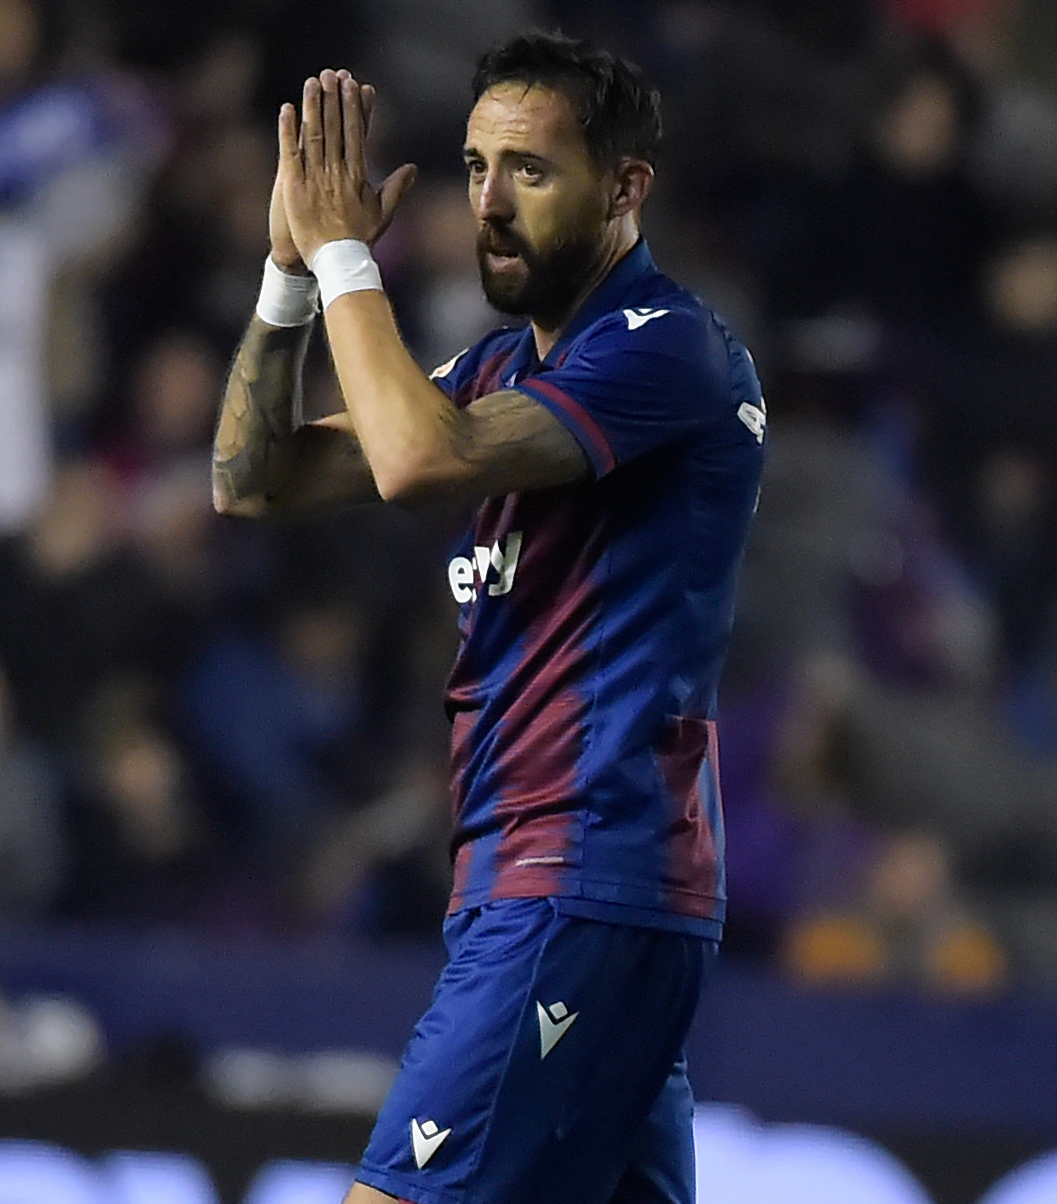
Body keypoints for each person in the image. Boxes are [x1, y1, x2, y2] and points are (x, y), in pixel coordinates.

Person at [212, 31, 765, 1204]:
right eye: (473, 168)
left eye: (531, 170)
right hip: (557, 886)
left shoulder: (672, 351)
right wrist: (289, 276)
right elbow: (250, 479)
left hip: (580, 874)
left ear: (625, 190)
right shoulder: (497, 369)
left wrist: (349, 255)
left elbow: (416, 459)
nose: (490, 204)